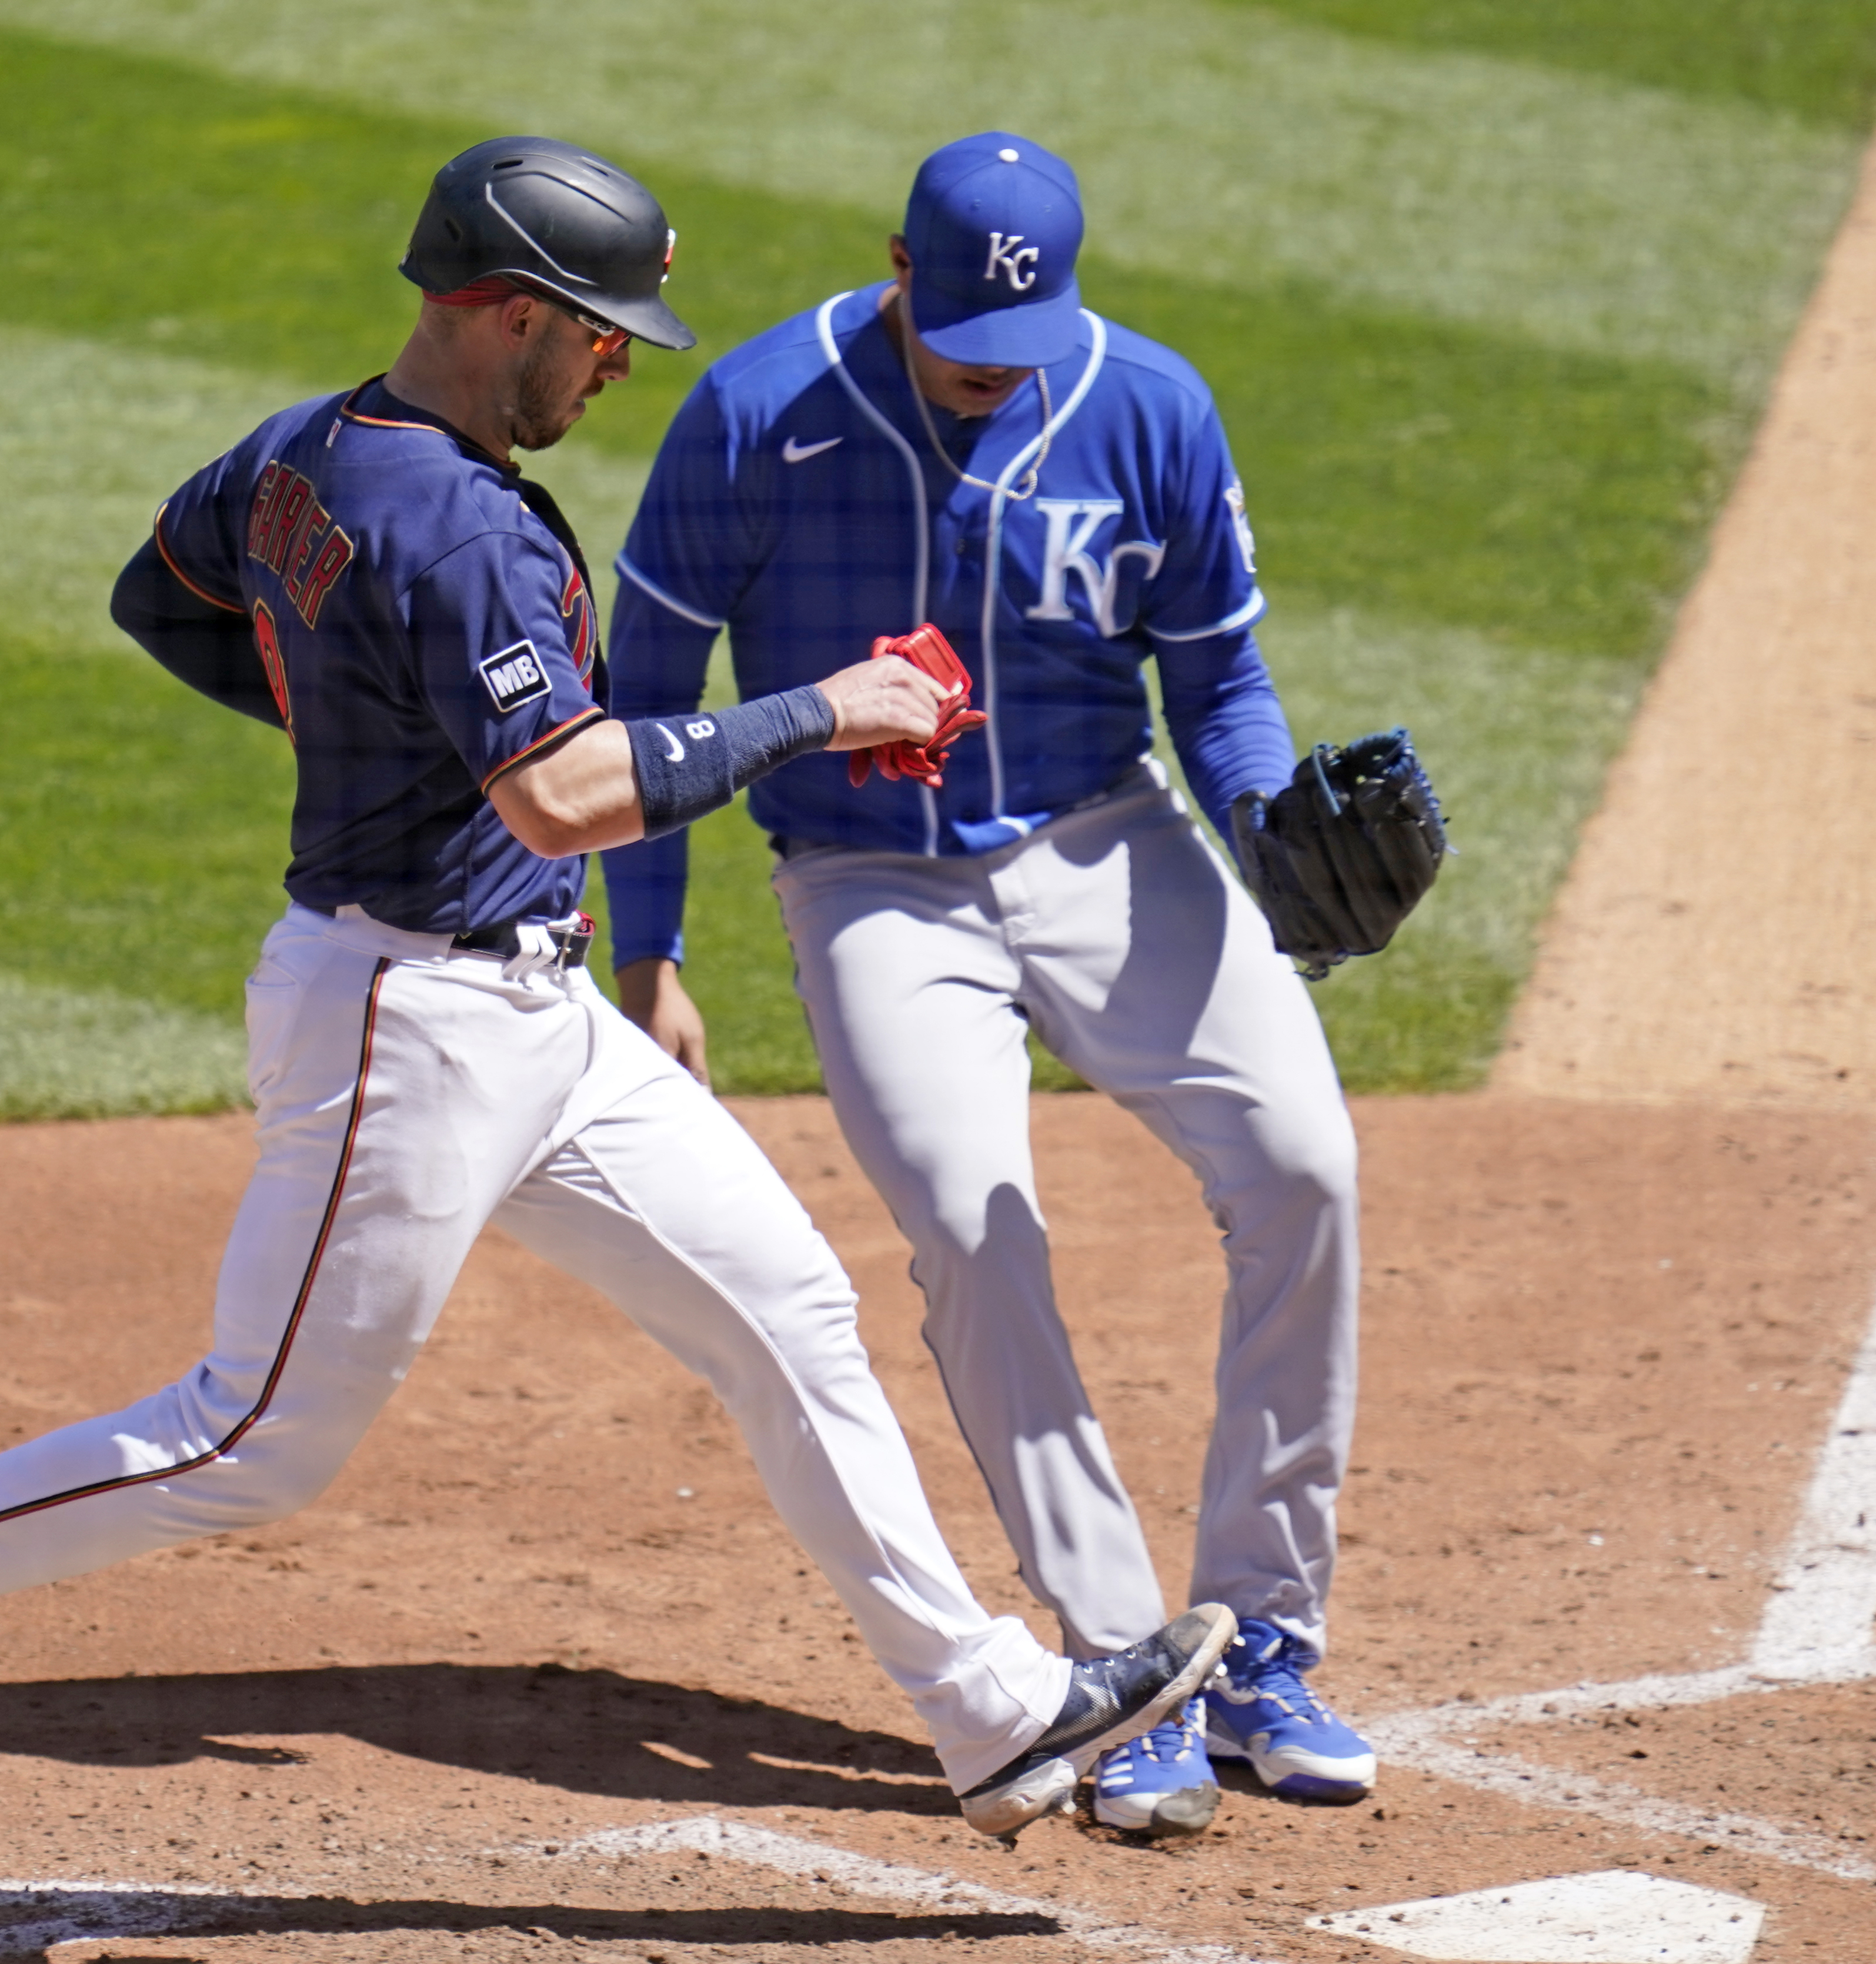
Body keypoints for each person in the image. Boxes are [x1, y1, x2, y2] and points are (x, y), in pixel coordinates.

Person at [0, 135, 1229, 1860]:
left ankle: (992, 1712)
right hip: (408, 1022)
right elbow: (566, 797)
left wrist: (373, 727)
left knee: (789, 1307)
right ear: (510, 311)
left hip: (541, 1020)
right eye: (597, 334)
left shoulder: (304, 449)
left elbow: (170, 599)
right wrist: (823, 709)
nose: (612, 364)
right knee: (253, 1434)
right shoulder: (462, 524)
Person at [600, 133, 1374, 1836]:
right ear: (894, 267)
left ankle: (1264, 1639)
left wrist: (1266, 835)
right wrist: (643, 956)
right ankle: (1123, 1663)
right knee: (971, 1221)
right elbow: (642, 688)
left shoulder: (1148, 405)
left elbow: (1219, 680)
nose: (983, 377)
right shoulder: (754, 412)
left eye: (1015, 351)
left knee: (1306, 1164)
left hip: (1107, 837)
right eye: (956, 339)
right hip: (869, 873)